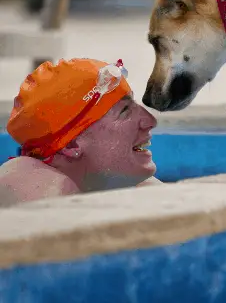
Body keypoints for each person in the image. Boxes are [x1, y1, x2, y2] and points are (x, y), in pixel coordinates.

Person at [0, 57, 161, 207]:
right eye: (125, 112)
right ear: (71, 144)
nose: (150, 121)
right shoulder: (38, 188)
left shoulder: (130, 182)